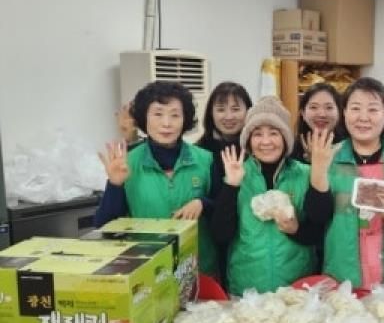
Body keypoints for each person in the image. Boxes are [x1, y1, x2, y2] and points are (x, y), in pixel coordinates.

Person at [210, 96, 333, 295]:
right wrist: (231, 186)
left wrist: (296, 229)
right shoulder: (237, 174)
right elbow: (220, 235)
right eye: (257, 134)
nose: (265, 141)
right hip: (246, 289)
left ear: (285, 138)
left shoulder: (304, 174)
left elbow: (320, 227)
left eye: (274, 133)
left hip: (296, 290)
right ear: (249, 141)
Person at [94, 81, 218, 277]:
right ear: (144, 118)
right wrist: (115, 185)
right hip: (147, 271)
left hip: (198, 269)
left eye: (175, 115)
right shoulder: (128, 162)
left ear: (185, 120)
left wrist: (203, 203)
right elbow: (104, 227)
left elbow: (223, 211)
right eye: (158, 114)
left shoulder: (205, 160)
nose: (166, 123)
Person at [321, 77, 384, 305]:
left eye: (373, 109)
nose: (363, 117)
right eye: (355, 108)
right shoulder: (329, 158)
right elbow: (317, 216)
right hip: (343, 275)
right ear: (344, 112)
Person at [195, 81, 252, 286]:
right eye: (221, 109)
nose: (228, 116)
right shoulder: (199, 152)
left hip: (249, 239)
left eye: (236, 109)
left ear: (248, 111)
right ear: (211, 113)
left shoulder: (259, 148)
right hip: (211, 239)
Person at [290, 82, 343, 163]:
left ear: (339, 112)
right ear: (303, 113)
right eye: (313, 107)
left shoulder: (350, 146)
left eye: (329, 107)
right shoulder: (290, 149)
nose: (322, 114)